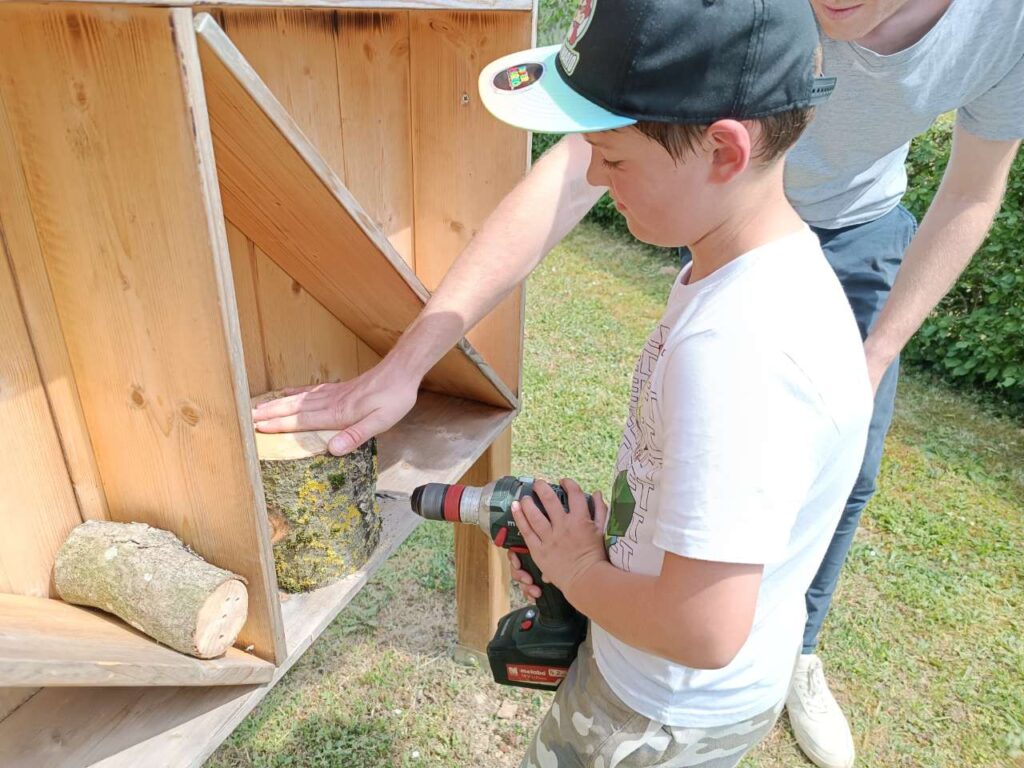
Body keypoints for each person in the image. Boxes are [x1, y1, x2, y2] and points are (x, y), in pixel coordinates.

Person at [251, 1, 1024, 765]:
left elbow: (702, 629)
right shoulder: (749, 272)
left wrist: (580, 570)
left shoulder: (737, 349)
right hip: (667, 685)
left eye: (612, 159)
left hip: (656, 712)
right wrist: (622, 551)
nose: (592, 174)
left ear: (724, 150)